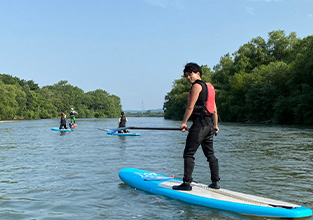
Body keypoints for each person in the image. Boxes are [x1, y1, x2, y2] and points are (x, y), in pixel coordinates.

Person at [172, 62, 220, 191]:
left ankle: (186, 184)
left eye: (190, 75)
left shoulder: (196, 87)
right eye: (186, 76)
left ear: (197, 73)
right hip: (209, 125)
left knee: (188, 153)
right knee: (210, 154)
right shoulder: (210, 87)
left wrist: (183, 123)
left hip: (200, 125)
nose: (188, 78)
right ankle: (215, 182)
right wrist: (215, 125)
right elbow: (214, 109)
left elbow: (190, 107)